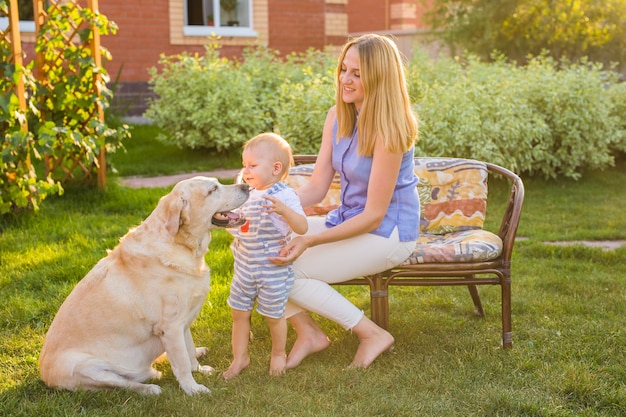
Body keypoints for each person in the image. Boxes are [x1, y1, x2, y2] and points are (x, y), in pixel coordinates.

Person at [269, 33, 420, 370]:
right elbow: (316, 188)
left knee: (286, 270)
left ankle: (372, 334)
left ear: (379, 78)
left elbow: (373, 216)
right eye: (343, 69)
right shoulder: (336, 116)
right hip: (349, 219)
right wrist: (270, 200)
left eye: (356, 74)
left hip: (388, 234)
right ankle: (309, 334)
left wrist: (309, 240)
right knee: (267, 257)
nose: (345, 80)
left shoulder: (390, 130)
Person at [223, 132, 308, 380]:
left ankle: (278, 354)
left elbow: (301, 228)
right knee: (239, 312)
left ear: (275, 168)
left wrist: (284, 211)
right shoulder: (244, 193)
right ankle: (240, 358)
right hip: (244, 266)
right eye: (244, 165)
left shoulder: (284, 195)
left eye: (252, 165)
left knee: (273, 315)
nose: (246, 170)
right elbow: (237, 223)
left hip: (272, 267)